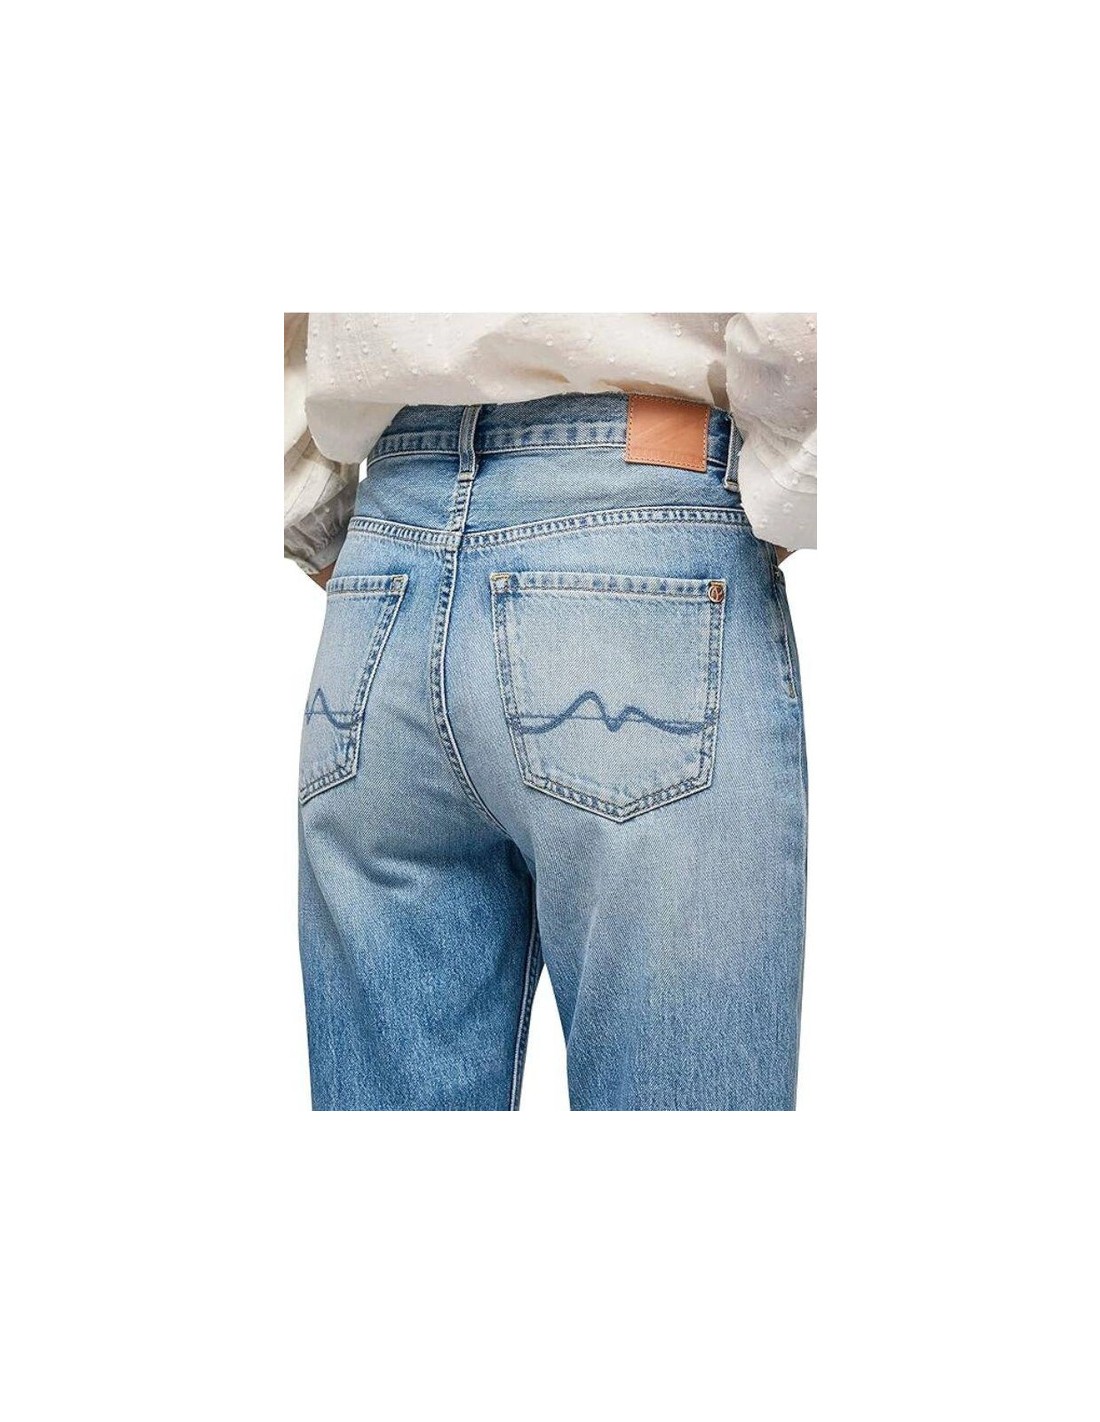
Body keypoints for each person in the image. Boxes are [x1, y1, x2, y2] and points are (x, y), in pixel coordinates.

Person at [285, 313, 816, 1110]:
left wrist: (312, 515)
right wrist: (797, 483)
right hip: (640, 532)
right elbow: (798, 325)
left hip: (385, 558)